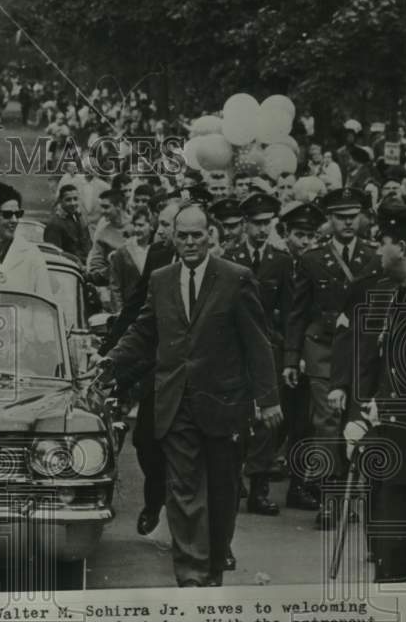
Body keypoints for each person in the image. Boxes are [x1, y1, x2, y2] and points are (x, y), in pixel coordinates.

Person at [98, 202, 282, 586]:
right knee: (182, 490)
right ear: (174, 238)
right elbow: (144, 331)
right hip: (175, 402)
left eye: (198, 234)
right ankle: (192, 574)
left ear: (210, 236)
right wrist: (110, 363)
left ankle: (214, 563)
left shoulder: (236, 278)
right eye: (183, 235)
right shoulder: (162, 279)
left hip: (224, 403)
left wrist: (268, 399)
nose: (190, 242)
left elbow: (257, 343)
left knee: (221, 493)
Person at [285, 186, 379, 526]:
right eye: (341, 217)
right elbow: (297, 313)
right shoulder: (312, 259)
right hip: (322, 347)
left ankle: (352, 495)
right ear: (330, 220)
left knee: (355, 421)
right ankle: (329, 498)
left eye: (353, 217)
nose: (348, 223)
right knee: (326, 423)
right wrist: (291, 357)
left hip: (361, 351)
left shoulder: (373, 257)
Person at [356, 202, 406, 582]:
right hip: (394, 442)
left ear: (400, 246)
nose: (377, 250)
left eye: (381, 241)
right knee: (391, 555)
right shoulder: (402, 293)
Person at [224, 193, 293, 515]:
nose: (263, 230)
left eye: (268, 223)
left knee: (270, 418)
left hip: (268, 347)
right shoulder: (229, 257)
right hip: (235, 349)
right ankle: (234, 478)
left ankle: (260, 489)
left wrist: (288, 350)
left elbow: (291, 310)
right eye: (257, 224)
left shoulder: (281, 260)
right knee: (237, 413)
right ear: (245, 224)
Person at [276, 202, 323, 511]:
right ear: (285, 234)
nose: (305, 242)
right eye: (299, 235)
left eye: (310, 236)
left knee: (301, 422)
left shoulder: (317, 263)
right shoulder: (278, 263)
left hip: (302, 352)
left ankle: (298, 483)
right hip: (275, 347)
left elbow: (310, 313)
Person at [107, 207, 152, 313]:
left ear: (151, 226)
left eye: (141, 225)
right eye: (135, 225)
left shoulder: (157, 249)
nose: (137, 229)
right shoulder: (123, 252)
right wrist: (119, 312)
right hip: (130, 309)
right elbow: (115, 286)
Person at [43, 184, 92, 262]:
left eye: (75, 199)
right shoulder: (54, 224)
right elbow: (53, 253)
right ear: (60, 201)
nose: (73, 203)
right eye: (68, 200)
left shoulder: (78, 217)